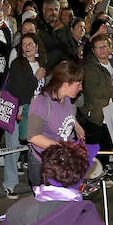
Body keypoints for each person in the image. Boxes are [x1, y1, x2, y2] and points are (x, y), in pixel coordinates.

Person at [24, 61, 85, 189]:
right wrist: (64, 148)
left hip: (61, 160)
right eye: (78, 84)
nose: (81, 88)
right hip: (43, 163)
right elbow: (33, 137)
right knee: (46, 206)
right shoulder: (41, 103)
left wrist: (76, 124)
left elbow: (63, 114)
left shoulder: (66, 98)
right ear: (65, 85)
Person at [1, 32, 48, 198]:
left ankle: (39, 183)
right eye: (24, 44)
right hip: (18, 113)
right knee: (13, 149)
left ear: (36, 46)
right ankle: (9, 184)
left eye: (30, 44)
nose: (27, 47)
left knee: (37, 149)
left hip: (38, 114)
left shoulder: (42, 64)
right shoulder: (17, 64)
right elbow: (18, 91)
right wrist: (36, 79)